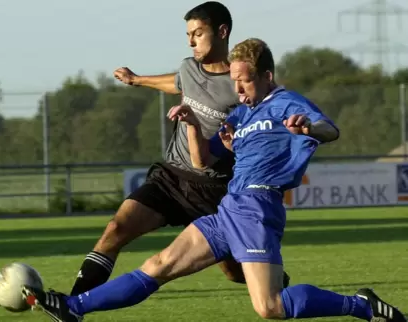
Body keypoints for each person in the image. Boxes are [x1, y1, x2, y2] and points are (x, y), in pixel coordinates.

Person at [22, 38, 406, 322]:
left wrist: (307, 126)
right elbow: (203, 159)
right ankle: (73, 307)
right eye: (235, 80)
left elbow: (330, 130)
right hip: (229, 208)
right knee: (159, 264)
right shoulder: (241, 115)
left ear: (267, 76)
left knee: (269, 307)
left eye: (245, 80)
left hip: (258, 206)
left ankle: (362, 305)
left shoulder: (288, 102)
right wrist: (190, 124)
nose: (237, 88)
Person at [69, 1, 289, 296]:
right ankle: (73, 305)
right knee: (116, 229)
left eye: (198, 33)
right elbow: (175, 82)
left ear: (222, 32)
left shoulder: (240, 85)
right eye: (188, 34)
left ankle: (277, 283)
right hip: (170, 179)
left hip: (214, 191)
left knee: (235, 271)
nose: (190, 41)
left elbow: (268, 121)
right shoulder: (188, 67)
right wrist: (137, 80)